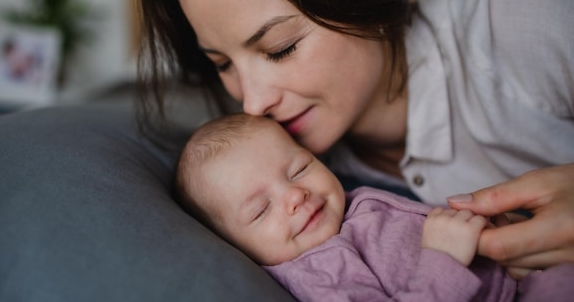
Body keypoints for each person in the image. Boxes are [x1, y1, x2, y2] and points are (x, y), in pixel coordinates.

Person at [137, 0, 574, 276]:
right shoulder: (286, 185)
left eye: (280, 48)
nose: (252, 101)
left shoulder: (516, 21)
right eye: (222, 64)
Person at [174, 113, 574, 301]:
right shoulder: (319, 273)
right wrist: (443, 259)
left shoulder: (348, 205)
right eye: (261, 210)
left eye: (300, 169)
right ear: (232, 246)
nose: (295, 195)